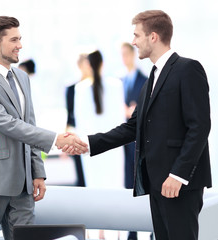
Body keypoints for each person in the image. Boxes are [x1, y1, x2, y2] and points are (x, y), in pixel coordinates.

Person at [63, 10, 211, 240]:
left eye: (137, 35)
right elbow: (132, 128)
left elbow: (200, 127)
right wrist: (88, 143)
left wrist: (179, 175)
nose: (133, 42)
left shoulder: (188, 69)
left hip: (178, 184)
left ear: (153, 37)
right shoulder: (151, 78)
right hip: (157, 183)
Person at [0, 16, 87, 240]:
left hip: (23, 185)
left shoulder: (22, 77)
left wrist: (37, 171)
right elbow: (8, 124)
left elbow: (29, 124)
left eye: (20, 39)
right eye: (13, 40)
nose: (20, 45)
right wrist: (56, 140)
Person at [74, 50, 124, 239]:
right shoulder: (116, 85)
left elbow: (80, 124)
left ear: (88, 64)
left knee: (95, 192)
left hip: (90, 149)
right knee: (114, 191)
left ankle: (97, 234)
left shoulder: (80, 89)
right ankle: (116, 234)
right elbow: (121, 121)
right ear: (102, 63)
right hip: (113, 148)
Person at [120, 42, 147, 240]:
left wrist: (134, 110)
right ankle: (131, 231)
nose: (123, 58)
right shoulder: (120, 81)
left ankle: (143, 229)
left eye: (126, 54)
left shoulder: (145, 80)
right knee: (127, 185)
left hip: (139, 141)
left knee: (140, 185)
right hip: (124, 142)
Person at [65, 53, 91, 187]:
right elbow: (70, 117)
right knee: (81, 176)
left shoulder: (97, 88)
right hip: (78, 136)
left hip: (93, 135)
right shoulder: (71, 89)